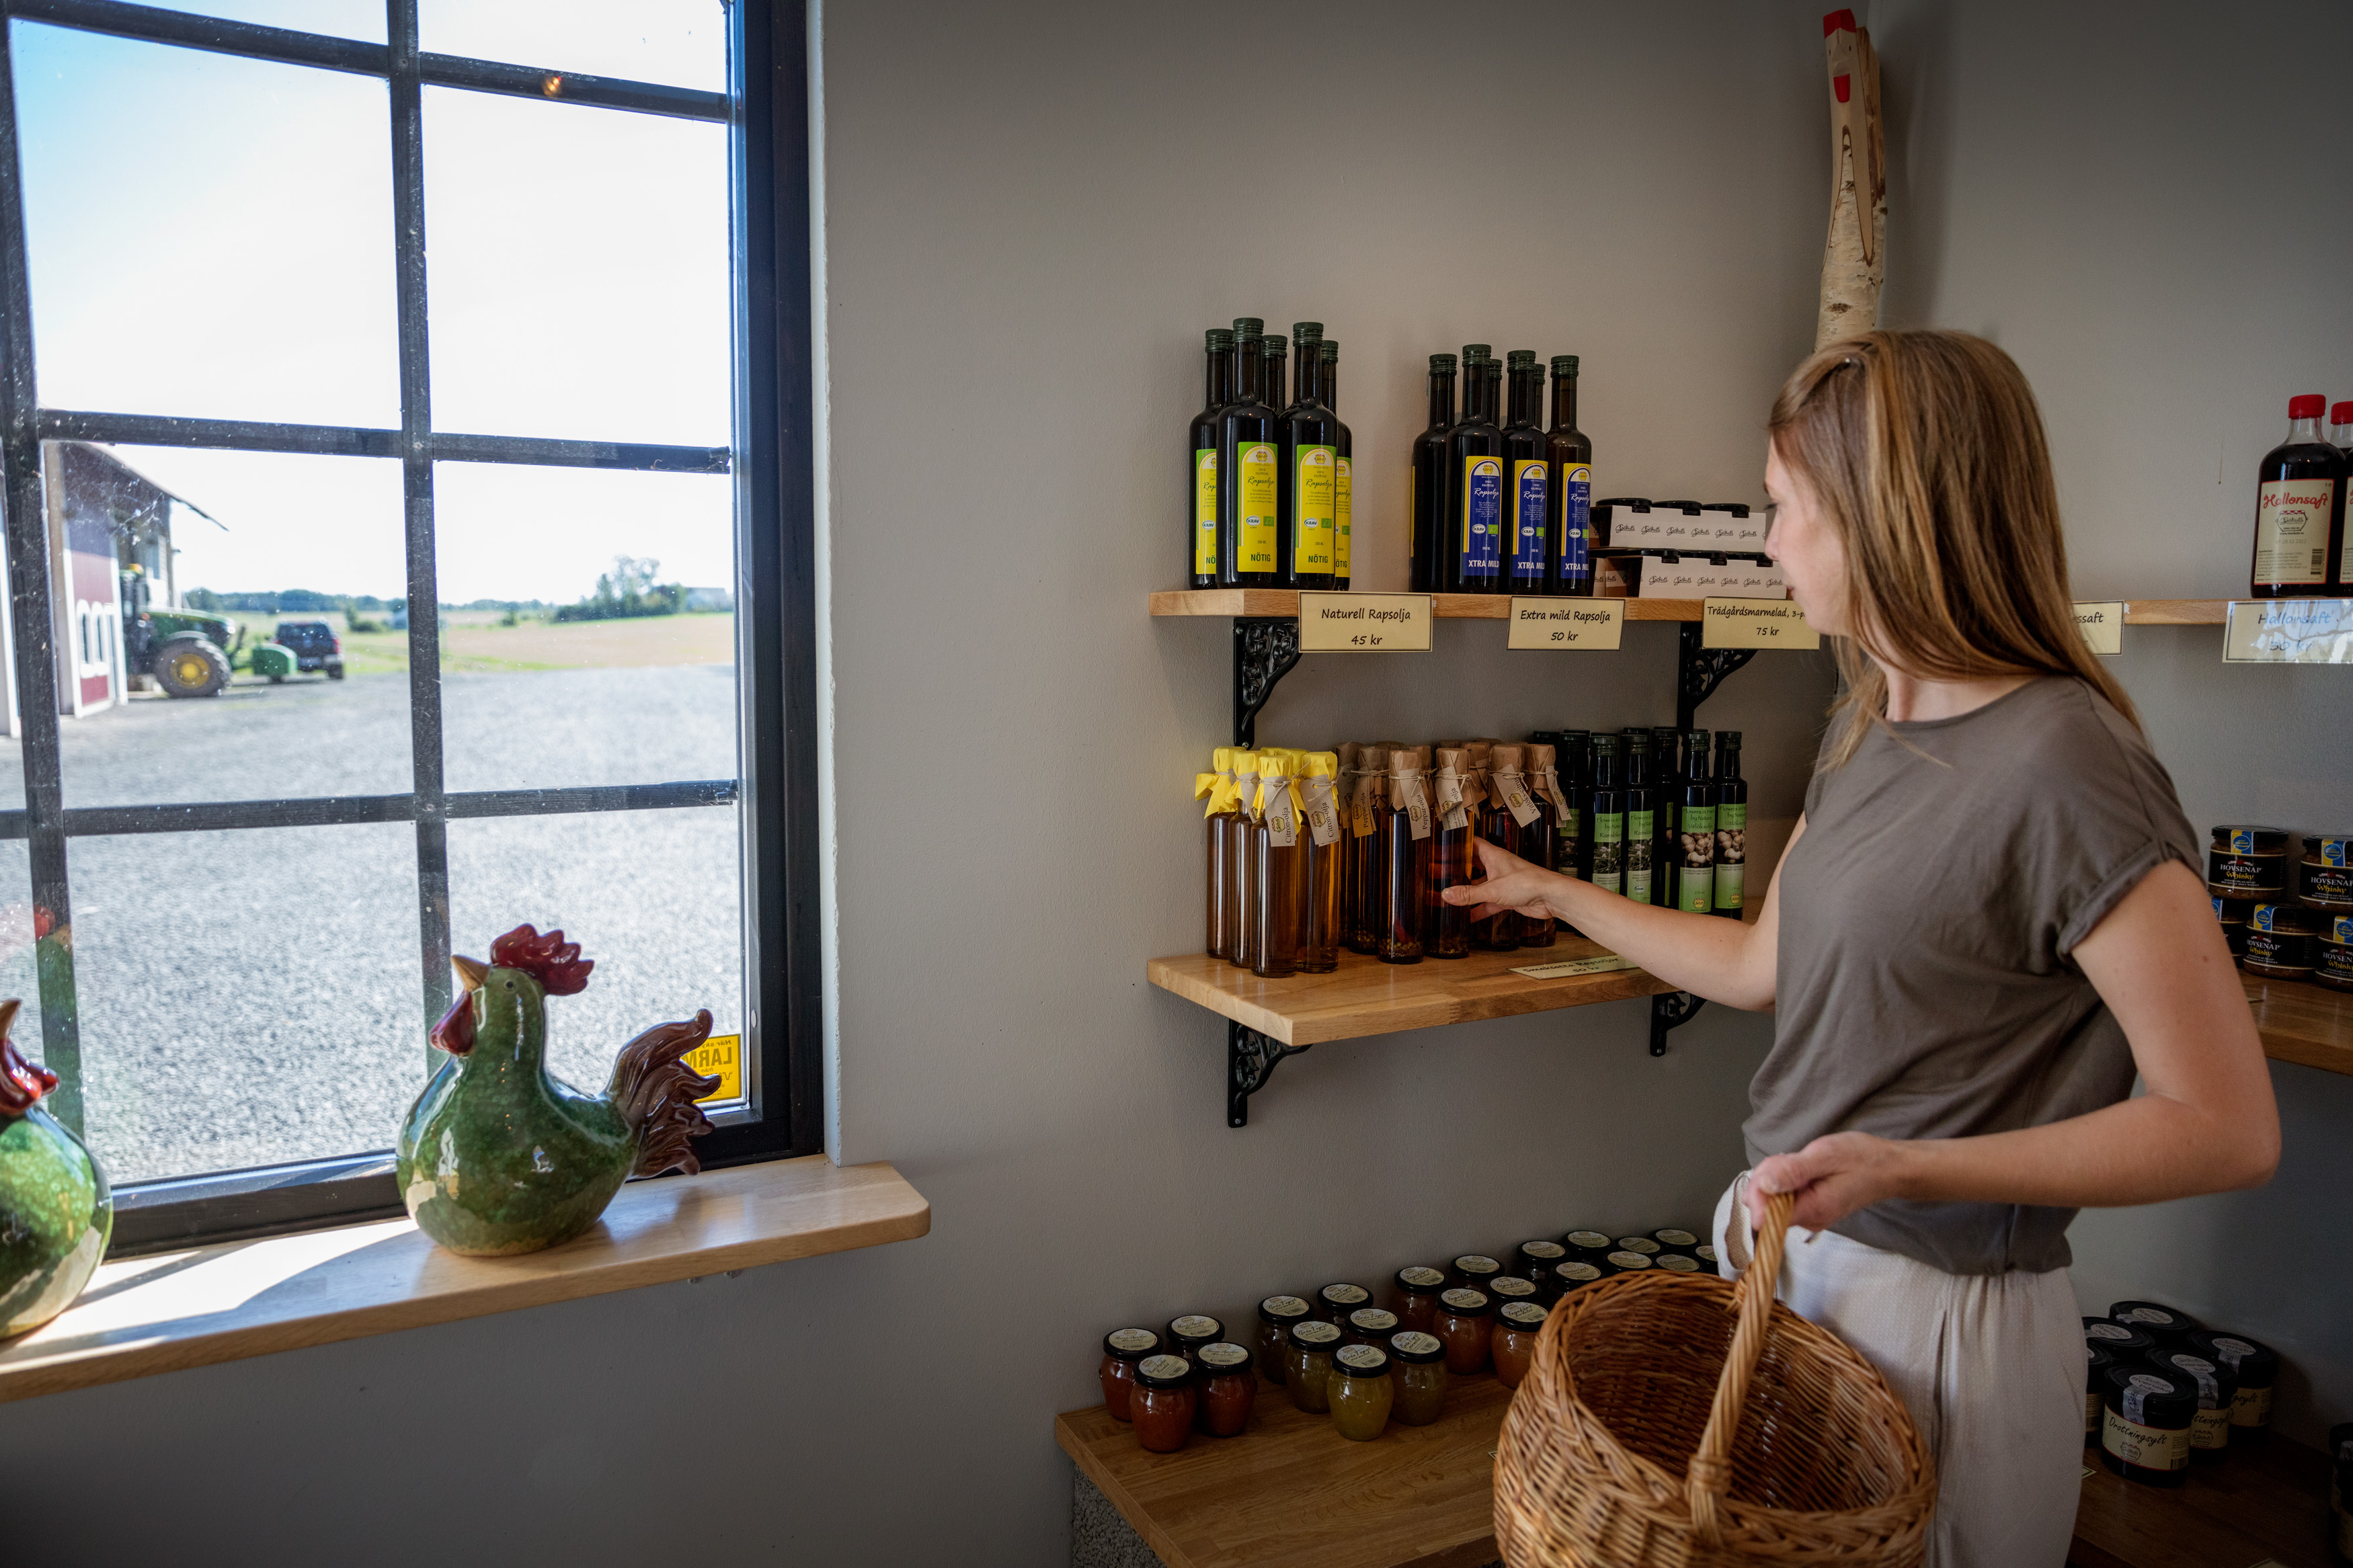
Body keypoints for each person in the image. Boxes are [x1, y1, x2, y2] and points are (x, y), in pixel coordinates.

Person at [1445, 329, 2278, 1567]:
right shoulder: (1867, 724)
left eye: (1786, 508)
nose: (1770, 541)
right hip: (1797, 1271)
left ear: (1888, 516)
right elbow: (1755, 967)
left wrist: (1907, 1167)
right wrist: (1557, 892)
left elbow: (2227, 1123)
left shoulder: (2071, 764)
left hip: (1948, 1321)